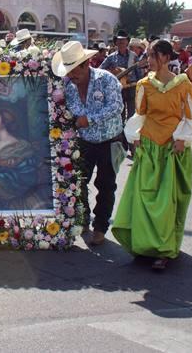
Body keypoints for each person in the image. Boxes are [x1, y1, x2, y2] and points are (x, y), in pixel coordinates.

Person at [112, 40, 192, 270]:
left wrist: (182, 139)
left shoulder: (183, 84)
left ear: (166, 57)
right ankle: (144, 245)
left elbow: (190, 116)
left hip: (172, 148)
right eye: (149, 55)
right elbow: (140, 115)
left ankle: (163, 250)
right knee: (144, 197)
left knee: (166, 202)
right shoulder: (144, 84)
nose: (149, 60)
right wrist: (136, 137)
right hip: (150, 146)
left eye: (153, 55)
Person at [54, 41, 124, 246]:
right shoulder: (69, 87)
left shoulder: (106, 79)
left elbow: (116, 106)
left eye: (74, 70)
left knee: (106, 185)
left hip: (110, 141)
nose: (71, 75)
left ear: (86, 64)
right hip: (84, 141)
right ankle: (83, 219)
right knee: (79, 181)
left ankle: (100, 227)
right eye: (68, 71)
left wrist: (89, 119)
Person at [101, 30, 142, 120]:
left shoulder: (133, 56)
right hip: (118, 89)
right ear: (116, 42)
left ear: (127, 42)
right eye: (119, 40)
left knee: (132, 114)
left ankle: (130, 128)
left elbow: (139, 73)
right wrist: (111, 72)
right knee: (120, 114)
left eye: (123, 40)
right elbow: (101, 70)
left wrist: (140, 88)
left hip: (131, 87)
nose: (121, 42)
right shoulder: (111, 57)